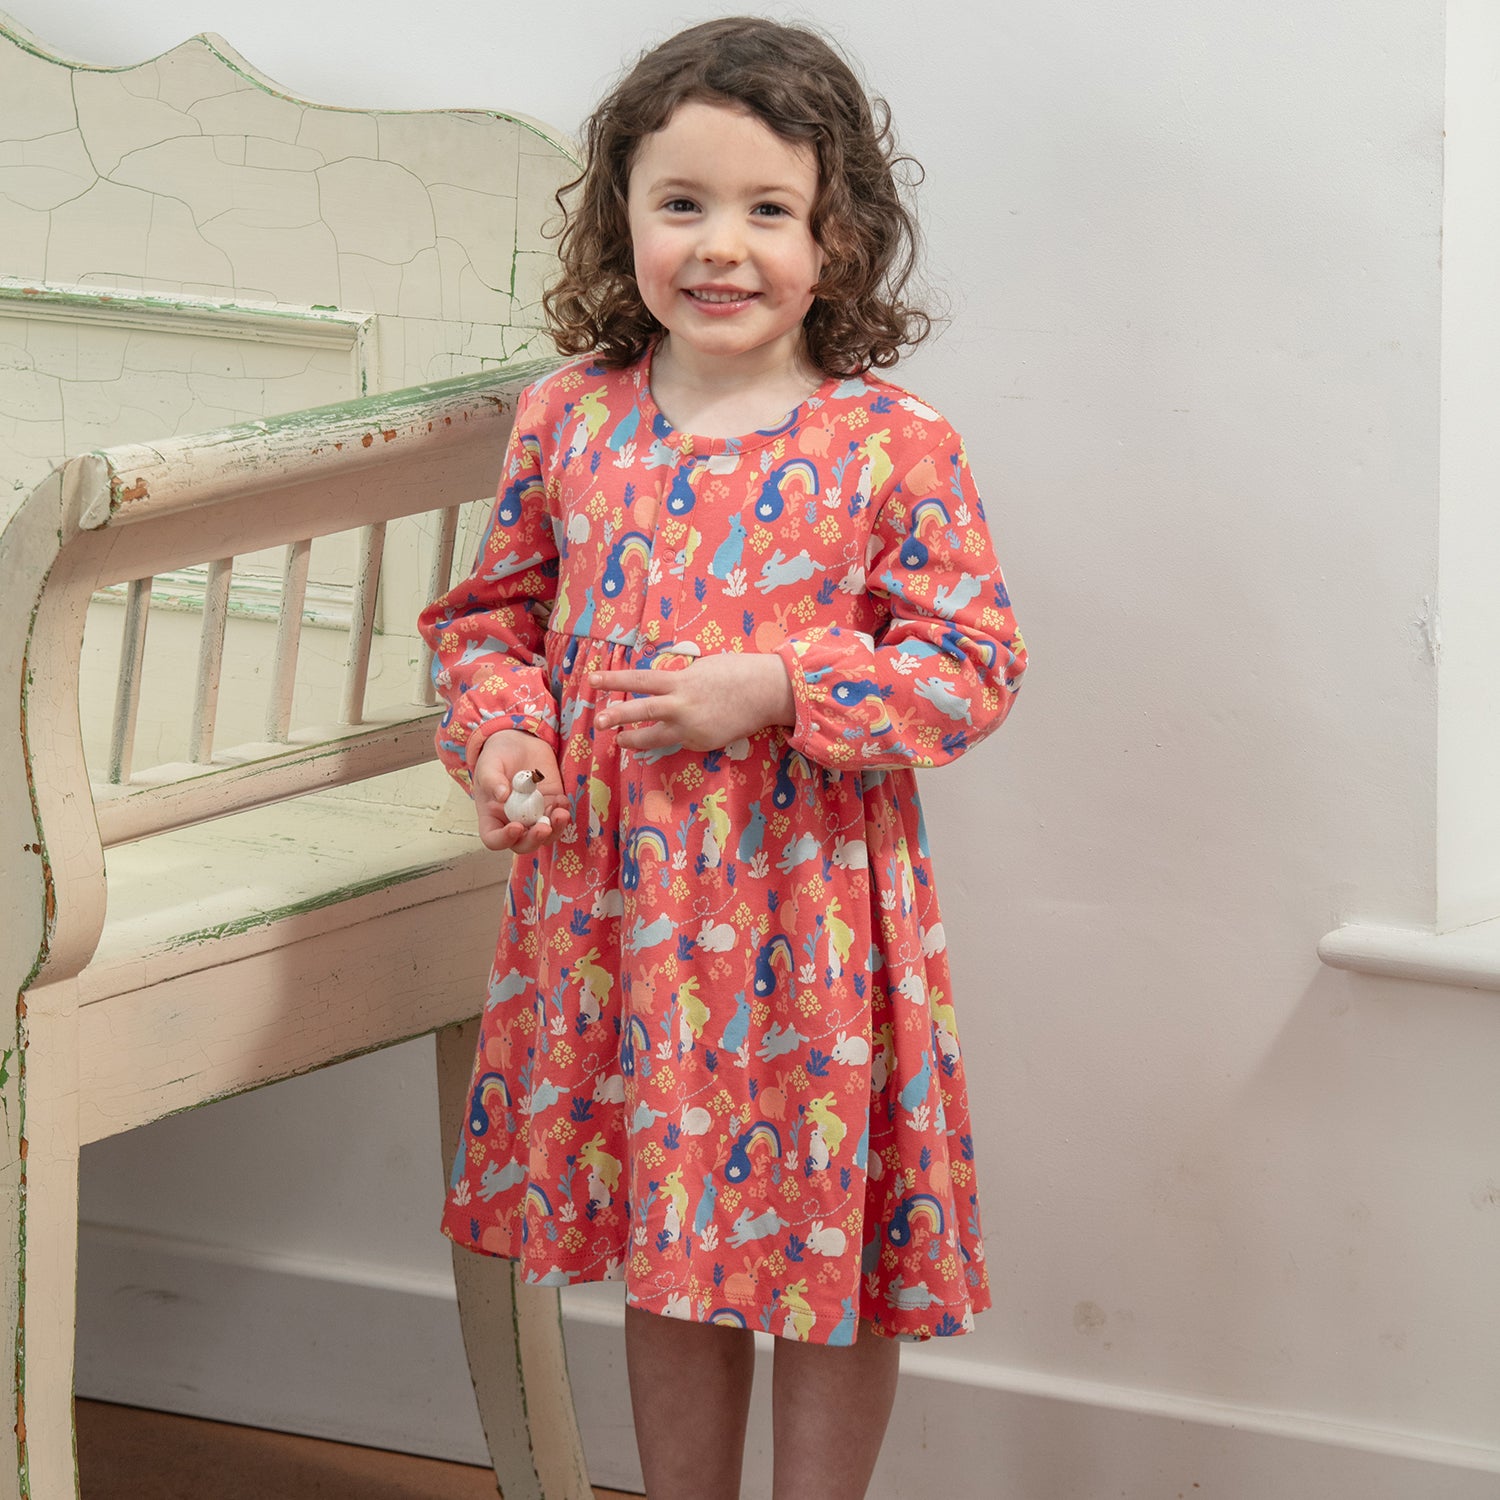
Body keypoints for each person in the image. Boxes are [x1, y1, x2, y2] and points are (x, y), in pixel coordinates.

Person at [418, 17, 1027, 1499]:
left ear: (838, 233)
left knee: (832, 1253)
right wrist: (506, 737)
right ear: (620, 213)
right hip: (619, 919)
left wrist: (776, 688)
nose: (721, 247)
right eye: (680, 203)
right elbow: (489, 620)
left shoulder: (892, 443)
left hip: (813, 923)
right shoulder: (571, 417)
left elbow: (971, 664)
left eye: (769, 209)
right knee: (671, 1242)